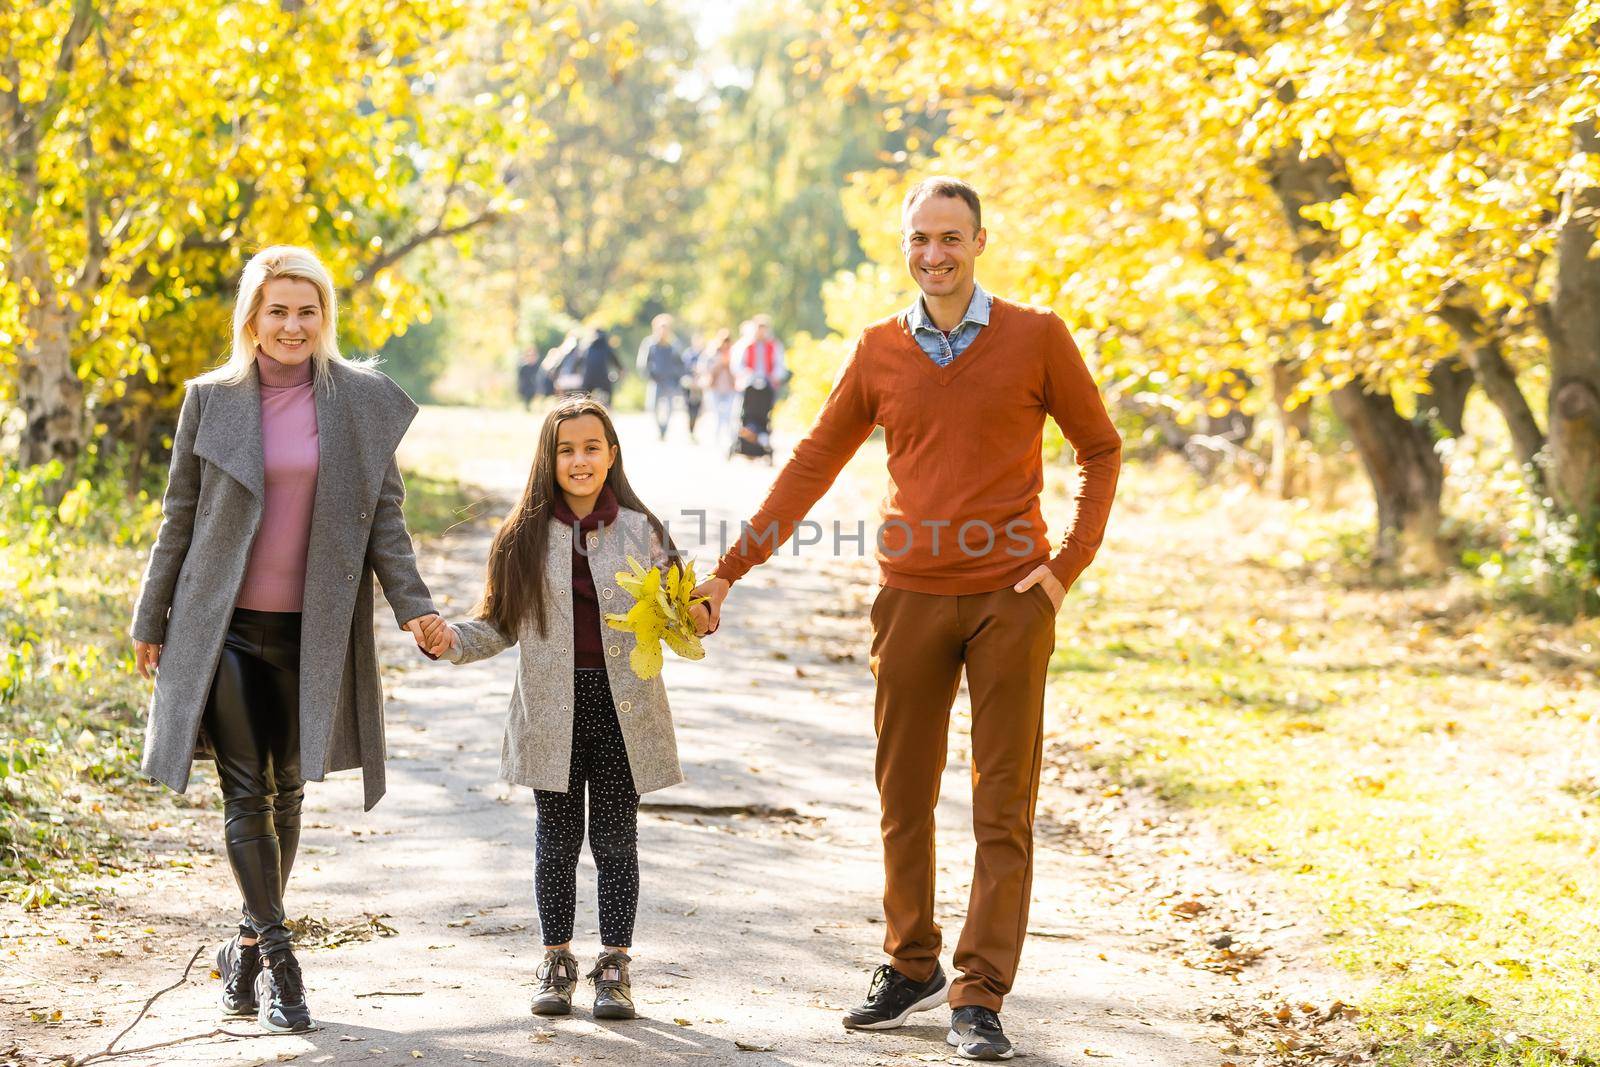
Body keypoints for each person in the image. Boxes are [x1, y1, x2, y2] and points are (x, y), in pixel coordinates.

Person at [691, 178, 1122, 1061]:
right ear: (905, 247)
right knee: (903, 795)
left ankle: (979, 991)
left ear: (981, 242)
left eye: (951, 237)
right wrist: (732, 567)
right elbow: (812, 460)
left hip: (1012, 600)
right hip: (909, 595)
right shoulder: (880, 349)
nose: (936, 253)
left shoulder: (1038, 336)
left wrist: (1065, 566)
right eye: (920, 238)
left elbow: (1100, 448)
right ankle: (911, 961)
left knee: (1002, 804)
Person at [129, 246, 451, 1034]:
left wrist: (415, 607)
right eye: (278, 309)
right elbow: (180, 514)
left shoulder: (361, 402)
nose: (293, 324)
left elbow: (386, 520)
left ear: (324, 317)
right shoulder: (211, 399)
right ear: (253, 316)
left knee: (289, 790)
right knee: (246, 791)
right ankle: (281, 957)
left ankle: (242, 942)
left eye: (307, 310)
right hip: (224, 627)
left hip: (317, 630)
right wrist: (151, 614)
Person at [433, 395, 685, 1021]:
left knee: (616, 839)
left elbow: (679, 609)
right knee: (556, 840)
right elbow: (497, 624)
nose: (579, 460)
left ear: (612, 455)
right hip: (552, 709)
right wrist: (452, 641)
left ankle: (616, 964)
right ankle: (556, 958)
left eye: (591, 448)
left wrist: (695, 615)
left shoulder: (641, 530)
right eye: (565, 449)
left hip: (623, 708)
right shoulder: (522, 537)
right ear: (548, 459)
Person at [637, 314, 686, 441]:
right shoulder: (649, 344)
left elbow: (680, 363)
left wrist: (678, 378)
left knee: (670, 408)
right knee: (653, 407)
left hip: (670, 382)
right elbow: (643, 362)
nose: (663, 331)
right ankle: (660, 429)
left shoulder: (674, 345)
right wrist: (648, 375)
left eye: (666, 328)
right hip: (655, 381)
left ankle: (665, 429)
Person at [703, 329, 740, 451]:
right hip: (715, 388)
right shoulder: (712, 353)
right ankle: (716, 439)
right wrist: (720, 364)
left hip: (729, 388)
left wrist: (728, 365)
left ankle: (727, 439)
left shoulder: (734, 353)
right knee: (717, 414)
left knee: (728, 414)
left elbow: (737, 371)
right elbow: (707, 370)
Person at [731, 314, 787, 392]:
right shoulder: (745, 345)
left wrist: (775, 376)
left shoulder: (774, 345)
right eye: (759, 329)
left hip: (768, 382)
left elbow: (780, 364)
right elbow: (736, 364)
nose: (761, 332)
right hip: (748, 382)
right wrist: (745, 373)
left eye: (764, 329)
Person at [579, 327, 625, 406]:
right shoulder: (606, 347)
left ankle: (584, 410)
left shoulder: (587, 347)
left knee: (584, 398)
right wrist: (621, 370)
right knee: (609, 395)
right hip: (603, 377)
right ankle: (610, 409)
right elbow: (616, 361)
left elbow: (579, 361)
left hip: (588, 377)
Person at [680, 333, 706, 442]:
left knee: (698, 410)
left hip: (700, 385)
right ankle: (690, 430)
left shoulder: (704, 354)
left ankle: (694, 429)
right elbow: (683, 369)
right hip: (689, 385)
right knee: (690, 409)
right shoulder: (688, 354)